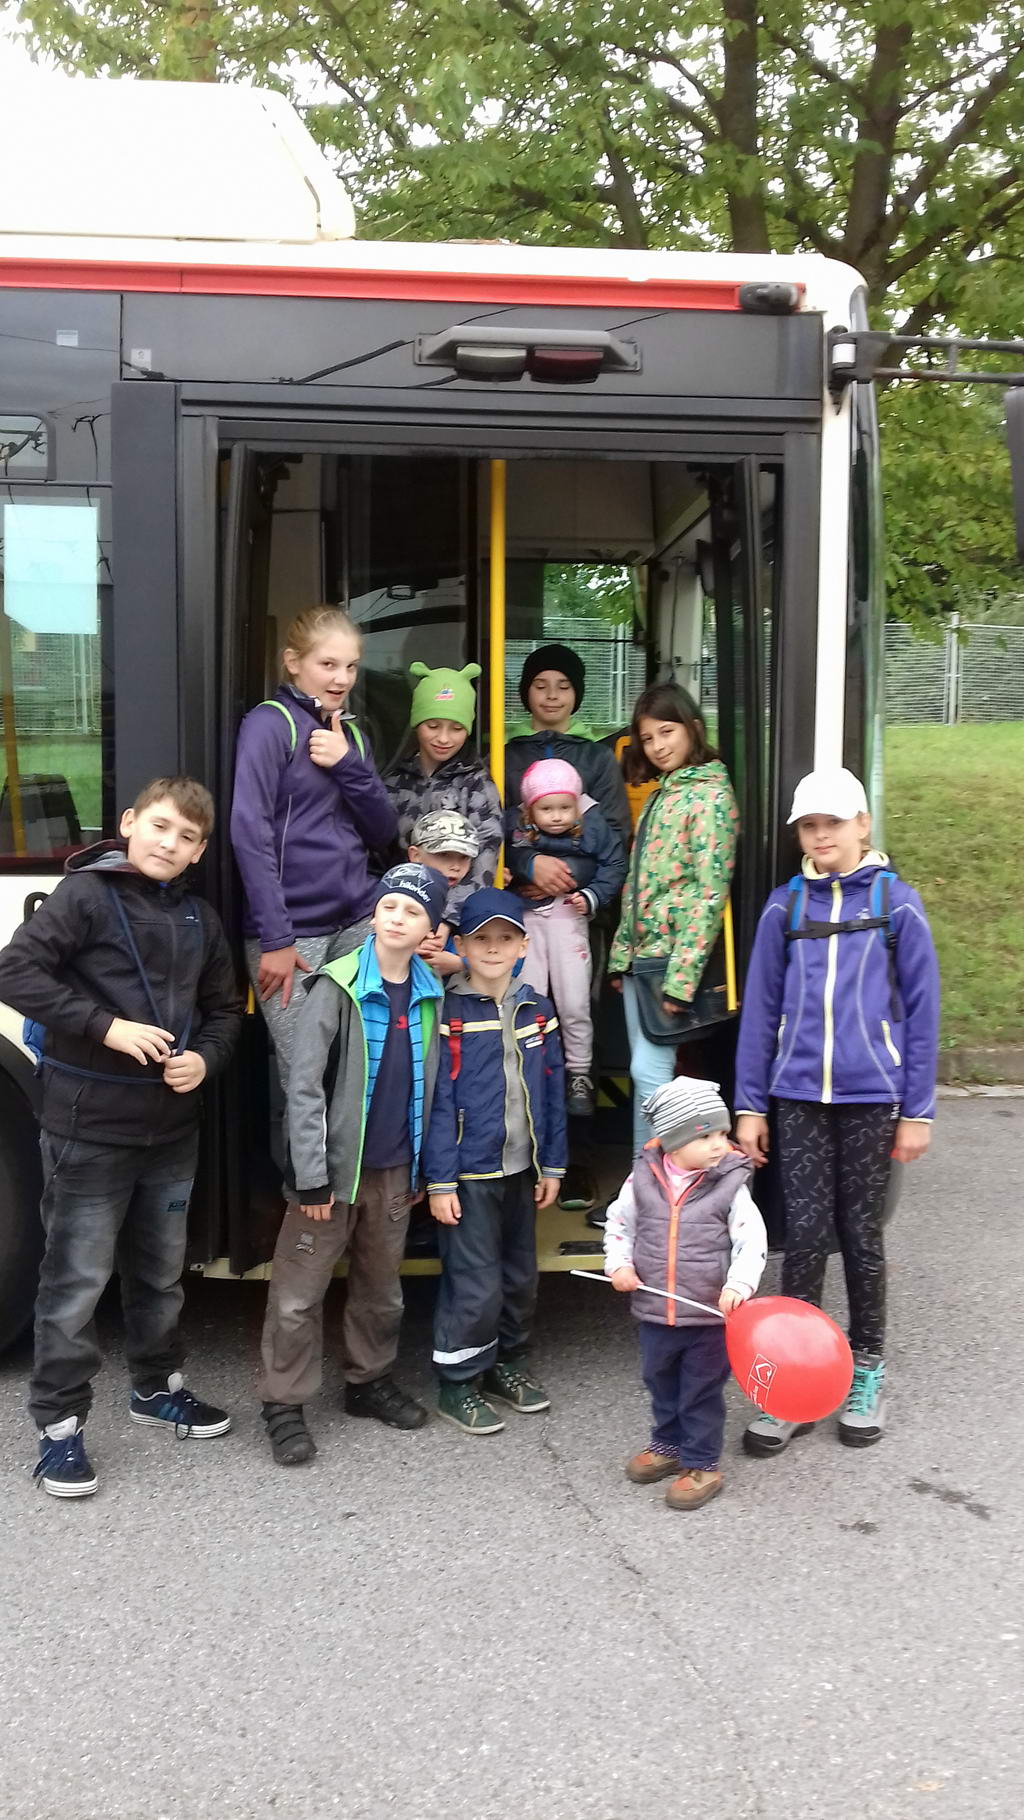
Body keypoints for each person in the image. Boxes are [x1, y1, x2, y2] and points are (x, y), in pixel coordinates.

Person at [0, 778, 242, 1499]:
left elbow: (225, 1012)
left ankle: (155, 1388)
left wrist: (207, 1060)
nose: (170, 843)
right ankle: (59, 1428)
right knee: (75, 1282)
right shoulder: (83, 896)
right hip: (88, 1127)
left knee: (160, 1274)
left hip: (171, 1131)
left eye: (188, 836)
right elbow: (13, 972)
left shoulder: (200, 918)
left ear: (199, 852)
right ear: (130, 823)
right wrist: (106, 1028)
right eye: (160, 826)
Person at [734, 767, 939, 1454]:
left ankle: (866, 1369)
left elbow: (922, 1014)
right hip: (796, 1098)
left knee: (860, 1236)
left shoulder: (896, 904)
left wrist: (918, 1110)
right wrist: (750, 1105)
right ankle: (795, 1382)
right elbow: (760, 1012)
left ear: (862, 825)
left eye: (833, 823)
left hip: (873, 1098)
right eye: (809, 826)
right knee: (804, 1238)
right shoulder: (784, 907)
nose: (821, 836)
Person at [257, 863, 446, 1465]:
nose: (397, 918)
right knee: (297, 1295)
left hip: (394, 1171)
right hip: (331, 1175)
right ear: (374, 912)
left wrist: (420, 1168)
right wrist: (310, 1177)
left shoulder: (430, 991)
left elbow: (431, 1086)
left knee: (381, 1289)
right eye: (389, 905)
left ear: (430, 928)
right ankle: (283, 1402)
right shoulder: (336, 987)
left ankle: (368, 1381)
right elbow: (305, 1085)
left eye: (413, 911)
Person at [230, 604, 397, 1093]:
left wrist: (348, 764)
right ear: (293, 662)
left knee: (360, 1073)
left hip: (357, 922)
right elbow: (249, 831)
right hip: (292, 933)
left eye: (351, 666)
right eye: (328, 664)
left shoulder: (353, 737)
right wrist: (276, 939)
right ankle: (307, 1155)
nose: (342, 678)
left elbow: (382, 830)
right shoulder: (269, 724)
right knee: (308, 1079)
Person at [423, 888, 567, 1435]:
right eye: (481, 938)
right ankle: (458, 1382)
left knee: (519, 1278)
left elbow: (552, 1091)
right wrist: (440, 1181)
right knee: (473, 1283)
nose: (492, 948)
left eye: (506, 938)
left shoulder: (538, 1009)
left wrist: (553, 1165)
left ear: (523, 946)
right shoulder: (447, 1012)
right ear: (460, 946)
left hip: (522, 1171)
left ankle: (508, 1364)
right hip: (468, 1175)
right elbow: (437, 1102)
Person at [604, 1078, 767, 1510]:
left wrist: (739, 1284)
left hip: (708, 1316)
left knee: (700, 1390)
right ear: (673, 1141)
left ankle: (702, 1462)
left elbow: (751, 1240)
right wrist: (619, 1264)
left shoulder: (729, 1185)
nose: (719, 1145)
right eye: (706, 1136)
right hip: (655, 1311)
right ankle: (668, 1445)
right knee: (659, 1381)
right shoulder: (641, 1181)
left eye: (722, 1133)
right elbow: (619, 1225)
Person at [608, 683, 739, 1157]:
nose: (657, 746)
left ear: (693, 729)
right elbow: (639, 886)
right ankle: (648, 1182)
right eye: (647, 738)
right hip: (642, 960)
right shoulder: (663, 794)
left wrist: (681, 981)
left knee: (650, 1073)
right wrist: (621, 958)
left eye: (667, 732)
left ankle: (655, 1183)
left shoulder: (709, 797)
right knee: (644, 1072)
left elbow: (709, 893)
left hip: (670, 963)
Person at [506, 758, 626, 1117]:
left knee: (574, 1002)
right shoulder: (517, 827)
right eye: (547, 809)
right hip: (527, 919)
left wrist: (591, 895)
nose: (557, 817)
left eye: (565, 807)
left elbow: (614, 863)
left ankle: (579, 1072)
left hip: (568, 917)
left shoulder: (592, 824)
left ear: (578, 804)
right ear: (530, 810)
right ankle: (529, 1064)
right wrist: (517, 872)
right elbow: (503, 853)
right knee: (529, 997)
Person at [385, 660, 503, 942]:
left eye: (456, 728)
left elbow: (485, 856)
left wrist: (448, 918)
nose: (443, 738)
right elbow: (381, 855)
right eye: (433, 725)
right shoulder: (393, 782)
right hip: (400, 917)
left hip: (457, 924)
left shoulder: (477, 783)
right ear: (417, 723)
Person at [504, 643, 631, 851]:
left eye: (563, 687)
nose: (552, 695)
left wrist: (574, 866)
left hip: (586, 871)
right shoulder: (503, 757)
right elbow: (491, 829)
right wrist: (528, 864)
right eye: (540, 687)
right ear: (526, 691)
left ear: (576, 693)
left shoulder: (599, 758)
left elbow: (616, 832)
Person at [407, 807, 479, 978]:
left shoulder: (478, 904)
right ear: (415, 855)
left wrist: (462, 964)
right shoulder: (395, 900)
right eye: (444, 854)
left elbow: (513, 958)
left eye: (464, 857)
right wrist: (407, 949)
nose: (455, 866)